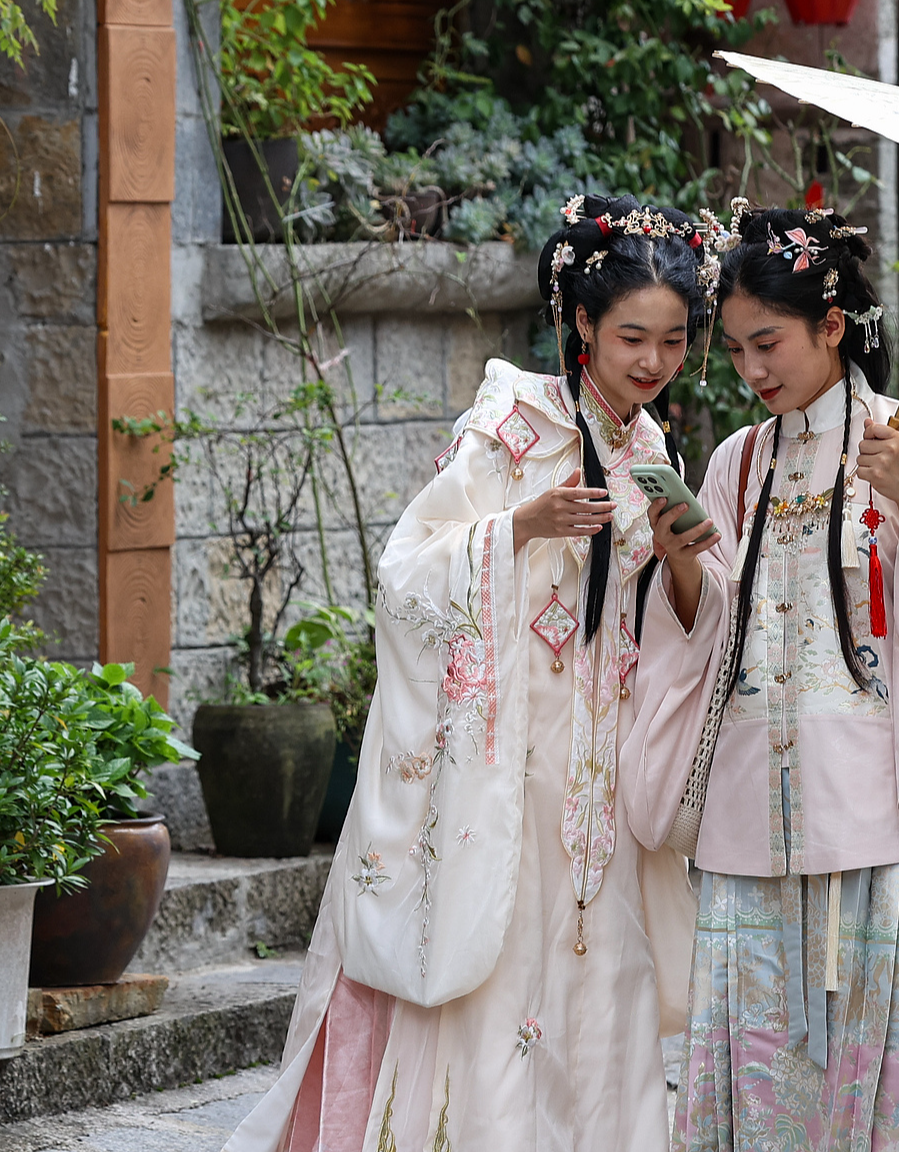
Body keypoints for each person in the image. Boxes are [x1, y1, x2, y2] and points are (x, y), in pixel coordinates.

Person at [224, 194, 714, 1151]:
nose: (653, 362)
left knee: (602, 964)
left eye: (673, 340)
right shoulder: (509, 428)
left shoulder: (651, 450)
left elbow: (658, 621)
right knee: (496, 968)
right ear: (580, 324)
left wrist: (682, 556)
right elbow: (407, 568)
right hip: (505, 758)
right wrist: (518, 528)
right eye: (630, 337)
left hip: (599, 765)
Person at [625, 202, 899, 1151]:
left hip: (881, 809)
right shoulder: (735, 462)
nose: (751, 370)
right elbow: (711, 624)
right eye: (733, 350)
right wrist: (682, 562)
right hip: (749, 807)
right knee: (762, 1060)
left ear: (833, 328)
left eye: (767, 343)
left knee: (876, 1053)